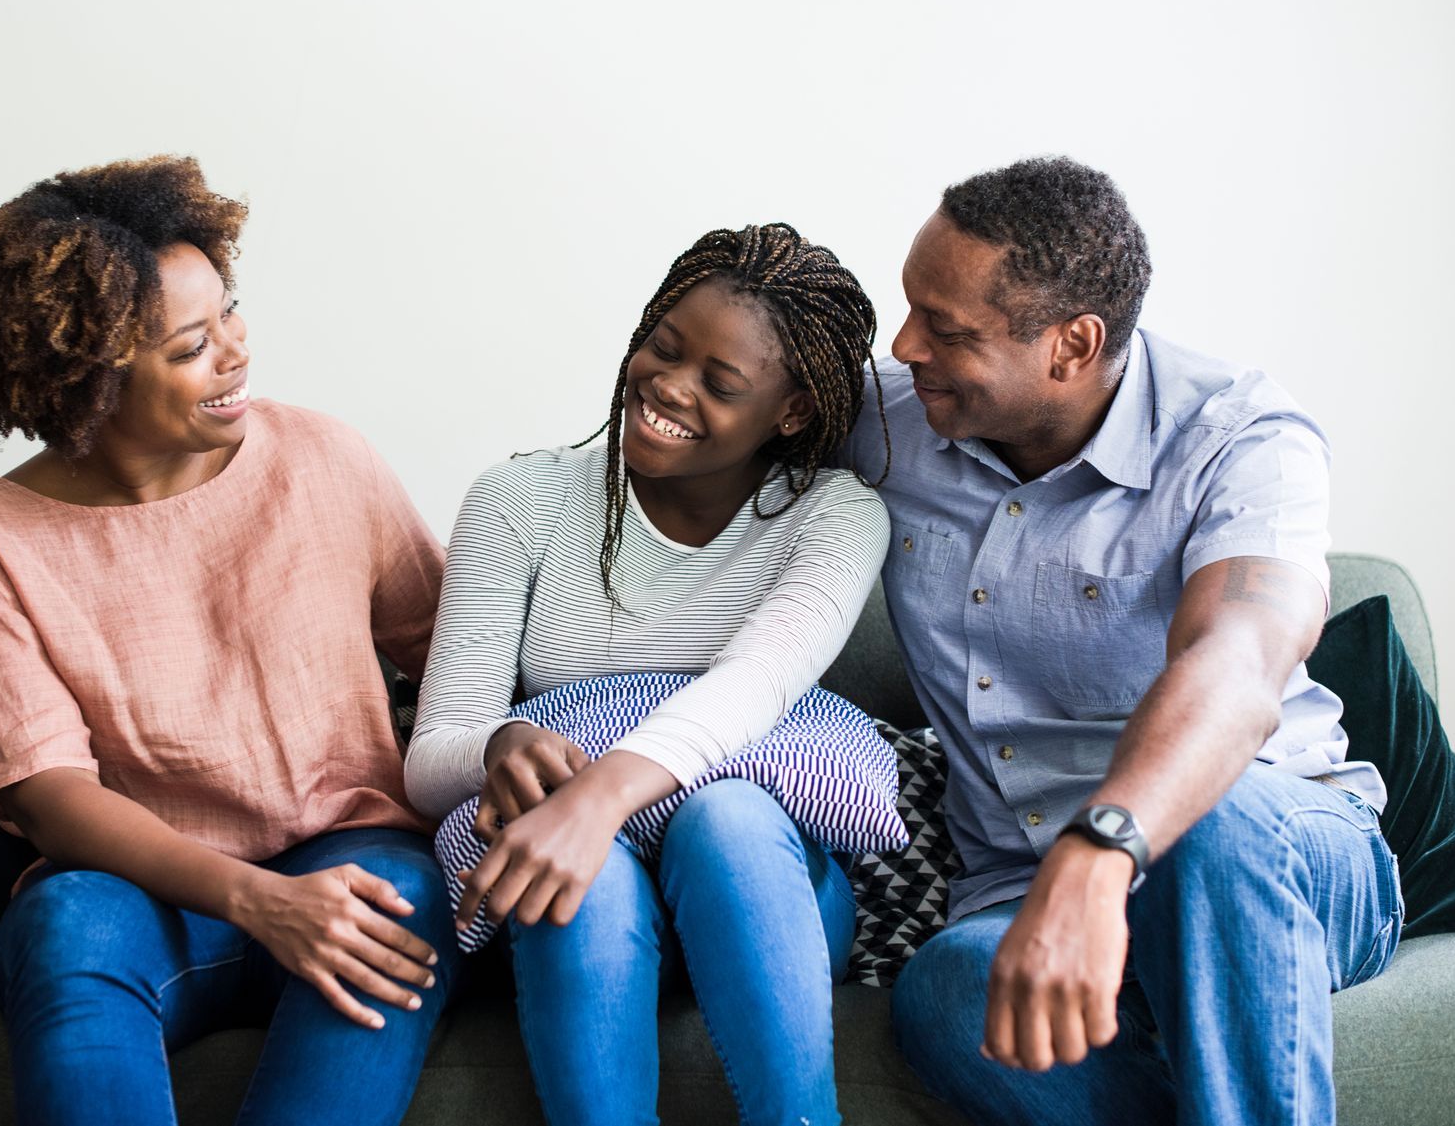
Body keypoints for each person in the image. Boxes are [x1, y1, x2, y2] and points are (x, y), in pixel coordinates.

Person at [847, 157, 1402, 1126]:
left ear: (1072, 345)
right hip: (1015, 889)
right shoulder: (896, 423)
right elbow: (710, 410)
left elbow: (1237, 664)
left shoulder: (1243, 439)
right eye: (909, 310)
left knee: (1214, 833)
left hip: (1275, 851)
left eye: (946, 329)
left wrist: (1098, 851)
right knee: (941, 991)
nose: (904, 347)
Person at [0, 156, 457, 1126]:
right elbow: (52, 800)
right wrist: (258, 902)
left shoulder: (326, 460)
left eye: (231, 314)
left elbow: (459, 660)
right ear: (89, 382)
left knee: (396, 899)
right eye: (189, 347)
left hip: (355, 854)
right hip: (144, 896)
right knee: (62, 921)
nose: (237, 352)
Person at [403, 223, 892, 1126]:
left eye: (721, 381)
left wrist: (594, 800)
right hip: (580, 900)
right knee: (578, 876)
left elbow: (752, 686)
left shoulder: (835, 518)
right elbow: (431, 758)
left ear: (789, 412)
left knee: (730, 813)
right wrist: (501, 742)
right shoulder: (522, 500)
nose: (668, 385)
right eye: (662, 346)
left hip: (764, 900)